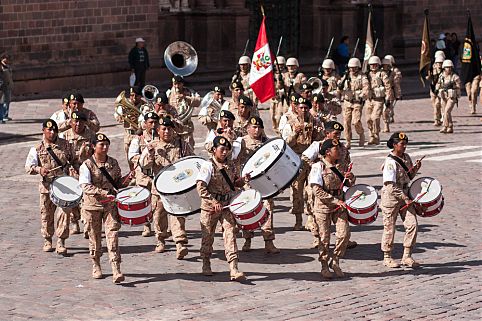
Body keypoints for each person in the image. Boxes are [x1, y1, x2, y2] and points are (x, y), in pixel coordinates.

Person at [79, 133, 130, 283]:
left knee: (113, 235)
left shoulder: (113, 163)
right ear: (94, 147)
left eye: (107, 144)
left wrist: (128, 179)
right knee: (94, 237)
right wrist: (102, 193)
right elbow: (85, 186)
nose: (105, 147)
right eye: (101, 145)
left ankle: (116, 269)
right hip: (92, 206)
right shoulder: (87, 165)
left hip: (110, 205)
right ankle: (96, 264)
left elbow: (117, 183)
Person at [196, 136, 249, 281]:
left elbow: (234, 183)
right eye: (222, 149)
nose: (225, 152)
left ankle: (234, 268)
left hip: (226, 206)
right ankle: (206, 263)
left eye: (227, 149)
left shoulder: (231, 165)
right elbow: (201, 188)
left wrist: (242, 181)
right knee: (208, 236)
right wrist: (213, 202)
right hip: (210, 208)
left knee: (230, 233)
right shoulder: (208, 166)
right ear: (214, 150)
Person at [140, 116, 194, 257]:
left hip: (177, 188)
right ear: (158, 130)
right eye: (164, 129)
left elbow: (191, 160)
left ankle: (179, 243)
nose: (167, 132)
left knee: (177, 214)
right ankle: (161, 239)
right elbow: (144, 166)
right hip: (159, 189)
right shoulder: (153, 145)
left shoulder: (182, 145)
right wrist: (150, 154)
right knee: (158, 216)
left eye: (169, 129)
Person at [302, 121, 356, 250]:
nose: (338, 136)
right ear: (327, 133)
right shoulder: (318, 145)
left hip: (337, 185)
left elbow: (347, 165)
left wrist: (349, 177)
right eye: (335, 133)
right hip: (320, 183)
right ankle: (317, 238)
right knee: (317, 214)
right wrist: (319, 167)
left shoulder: (342, 148)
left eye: (339, 134)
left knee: (341, 221)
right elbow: (304, 158)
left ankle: (343, 240)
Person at [25, 119, 74, 255]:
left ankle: (61, 241)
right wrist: (39, 169)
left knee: (64, 213)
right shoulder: (37, 148)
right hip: (47, 186)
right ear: (43, 131)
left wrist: (75, 170)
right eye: (49, 130)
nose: (52, 133)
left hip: (64, 185)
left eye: (54, 130)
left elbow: (74, 161)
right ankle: (47, 239)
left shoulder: (66, 145)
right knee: (46, 214)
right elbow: (28, 166)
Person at [308, 139, 355, 278]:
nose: (340, 151)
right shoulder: (318, 167)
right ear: (328, 152)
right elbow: (317, 190)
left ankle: (335, 260)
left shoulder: (342, 166)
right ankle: (324, 265)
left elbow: (347, 185)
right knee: (324, 239)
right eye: (337, 150)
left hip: (339, 204)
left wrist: (351, 178)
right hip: (323, 206)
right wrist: (335, 201)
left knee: (344, 234)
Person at [237, 116, 280, 254]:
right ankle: (247, 239)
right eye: (253, 127)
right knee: (247, 211)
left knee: (268, 211)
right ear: (248, 128)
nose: (256, 130)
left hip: (263, 182)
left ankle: (269, 241)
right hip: (246, 183)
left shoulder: (267, 143)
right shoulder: (241, 143)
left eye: (259, 128)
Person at [380, 132, 422, 268]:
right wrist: (405, 198)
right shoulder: (390, 162)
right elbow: (390, 186)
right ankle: (387, 256)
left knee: (412, 225)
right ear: (394, 145)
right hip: (391, 198)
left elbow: (408, 177)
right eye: (402, 144)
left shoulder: (406, 158)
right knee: (389, 227)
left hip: (405, 195)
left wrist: (415, 169)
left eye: (405, 144)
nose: (404, 147)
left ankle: (407, 256)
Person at [281, 97, 323, 230]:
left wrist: (317, 133)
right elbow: (285, 143)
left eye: (306, 108)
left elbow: (320, 141)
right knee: (296, 191)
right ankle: (298, 219)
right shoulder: (289, 122)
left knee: (312, 190)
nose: (304, 110)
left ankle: (311, 219)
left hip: (311, 160)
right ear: (296, 108)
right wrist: (295, 133)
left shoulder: (315, 120)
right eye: (301, 107)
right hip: (296, 160)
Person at [63, 111, 96, 236]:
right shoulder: (65, 136)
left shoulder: (91, 135)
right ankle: (74, 221)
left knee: (86, 199)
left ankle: (87, 225)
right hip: (71, 170)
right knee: (73, 199)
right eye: (74, 121)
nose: (77, 124)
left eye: (80, 122)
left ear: (85, 123)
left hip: (87, 171)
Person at [128, 112, 160, 238]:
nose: (153, 125)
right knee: (145, 202)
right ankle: (147, 225)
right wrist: (143, 158)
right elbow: (132, 155)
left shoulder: (161, 137)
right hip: (143, 175)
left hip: (157, 175)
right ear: (145, 124)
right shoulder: (139, 139)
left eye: (155, 122)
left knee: (157, 205)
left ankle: (160, 230)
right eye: (150, 123)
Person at [337, 58, 369, 149]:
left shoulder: (362, 77)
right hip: (347, 102)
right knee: (346, 122)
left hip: (357, 102)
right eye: (351, 68)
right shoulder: (346, 76)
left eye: (354, 68)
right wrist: (341, 85)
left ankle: (361, 133)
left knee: (356, 121)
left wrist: (362, 94)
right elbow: (340, 88)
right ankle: (348, 141)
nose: (352, 69)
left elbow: (366, 88)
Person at [365, 56, 393, 145]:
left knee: (375, 118)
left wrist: (388, 98)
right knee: (368, 119)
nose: (373, 66)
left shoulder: (382, 74)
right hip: (369, 100)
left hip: (379, 100)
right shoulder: (367, 75)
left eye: (375, 65)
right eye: (372, 65)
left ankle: (376, 136)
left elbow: (388, 86)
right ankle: (371, 136)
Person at [167, 75, 200, 147]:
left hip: (186, 128)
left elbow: (198, 102)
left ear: (182, 84)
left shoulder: (189, 92)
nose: (176, 86)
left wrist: (186, 98)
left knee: (189, 149)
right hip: (174, 127)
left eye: (179, 84)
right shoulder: (169, 93)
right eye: (175, 84)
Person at [115, 87, 143, 167]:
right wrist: (121, 115)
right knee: (129, 157)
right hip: (128, 135)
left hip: (139, 135)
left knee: (139, 156)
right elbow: (118, 118)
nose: (133, 98)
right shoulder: (125, 105)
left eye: (136, 96)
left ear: (140, 96)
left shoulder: (144, 106)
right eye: (131, 95)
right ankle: (132, 173)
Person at [436, 59, 461, 133]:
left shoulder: (454, 76)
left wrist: (453, 86)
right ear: (444, 68)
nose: (449, 69)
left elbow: (459, 86)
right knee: (444, 112)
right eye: (447, 67)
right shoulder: (441, 76)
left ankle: (446, 126)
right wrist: (438, 89)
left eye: (450, 67)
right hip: (443, 96)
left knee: (447, 111)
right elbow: (438, 84)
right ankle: (449, 126)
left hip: (451, 96)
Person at [427, 55, 444, 126]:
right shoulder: (432, 69)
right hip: (433, 89)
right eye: (438, 63)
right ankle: (437, 118)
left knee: (438, 105)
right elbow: (429, 77)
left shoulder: (445, 71)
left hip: (441, 90)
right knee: (435, 106)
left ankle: (439, 119)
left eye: (441, 63)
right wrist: (428, 77)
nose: (439, 65)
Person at [1, 53, 13, 122]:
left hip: (8, 85)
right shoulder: (2, 66)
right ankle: (4, 115)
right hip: (4, 85)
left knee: (8, 101)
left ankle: (6, 115)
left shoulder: (7, 66)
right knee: (4, 101)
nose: (8, 60)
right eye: (7, 59)